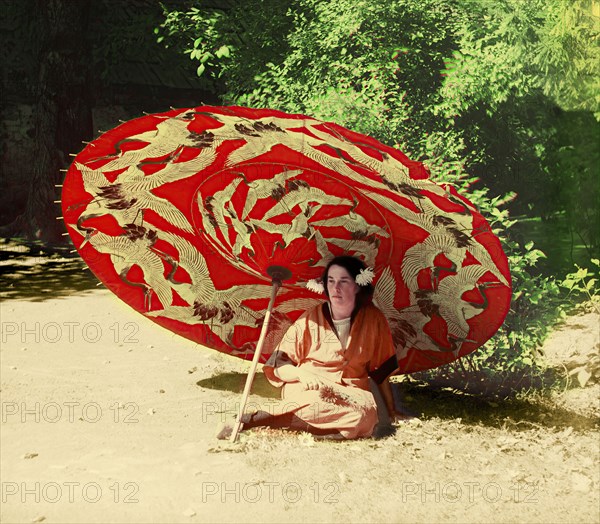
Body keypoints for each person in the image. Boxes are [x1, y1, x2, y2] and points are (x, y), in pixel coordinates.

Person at [217, 255, 401, 440]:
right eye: (331, 281)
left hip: (350, 392)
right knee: (315, 403)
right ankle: (255, 418)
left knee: (366, 416)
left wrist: (391, 411)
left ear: (357, 285)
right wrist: (301, 374)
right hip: (308, 389)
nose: (336, 288)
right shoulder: (311, 317)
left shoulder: (374, 319)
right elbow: (279, 365)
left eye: (343, 281)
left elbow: (381, 371)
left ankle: (286, 423)